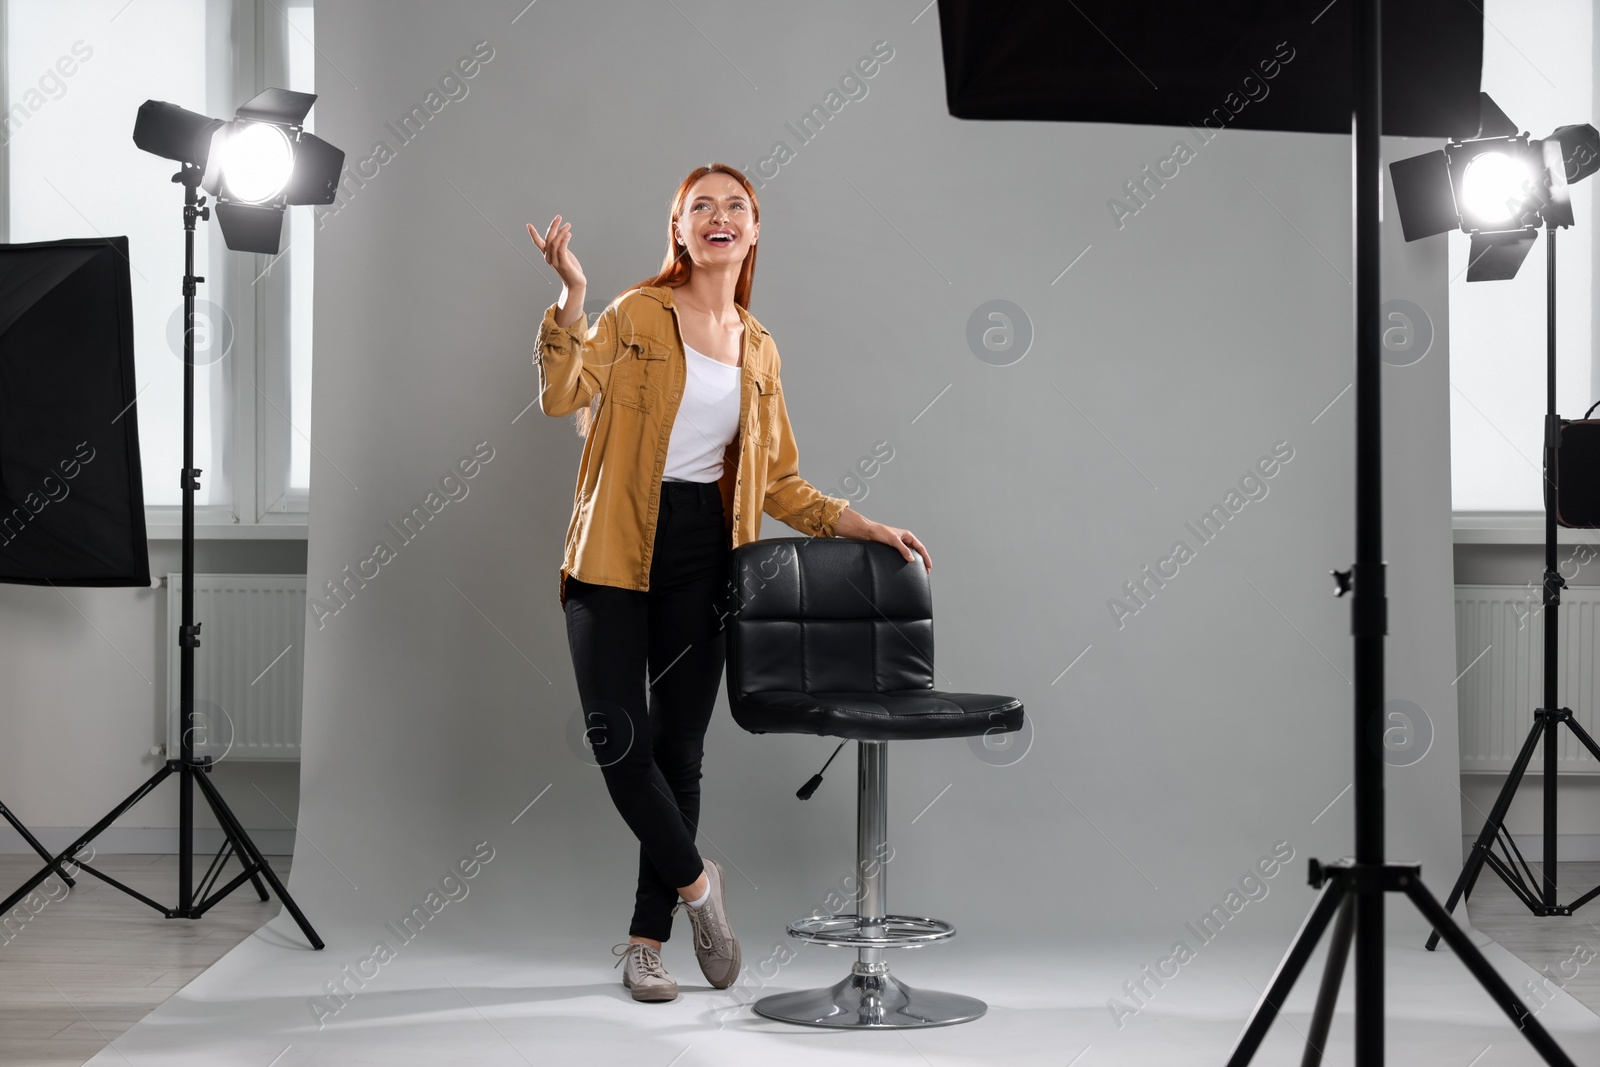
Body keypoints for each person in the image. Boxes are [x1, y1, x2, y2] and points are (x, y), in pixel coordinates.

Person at [527, 163, 932, 1003]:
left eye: (736, 207)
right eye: (700, 205)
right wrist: (572, 296)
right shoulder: (635, 313)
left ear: (753, 232)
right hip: (611, 550)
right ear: (677, 228)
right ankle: (700, 888)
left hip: (706, 557)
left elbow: (778, 482)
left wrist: (865, 523)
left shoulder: (759, 347)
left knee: (679, 750)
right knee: (619, 741)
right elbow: (561, 390)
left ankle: (646, 944)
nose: (719, 216)